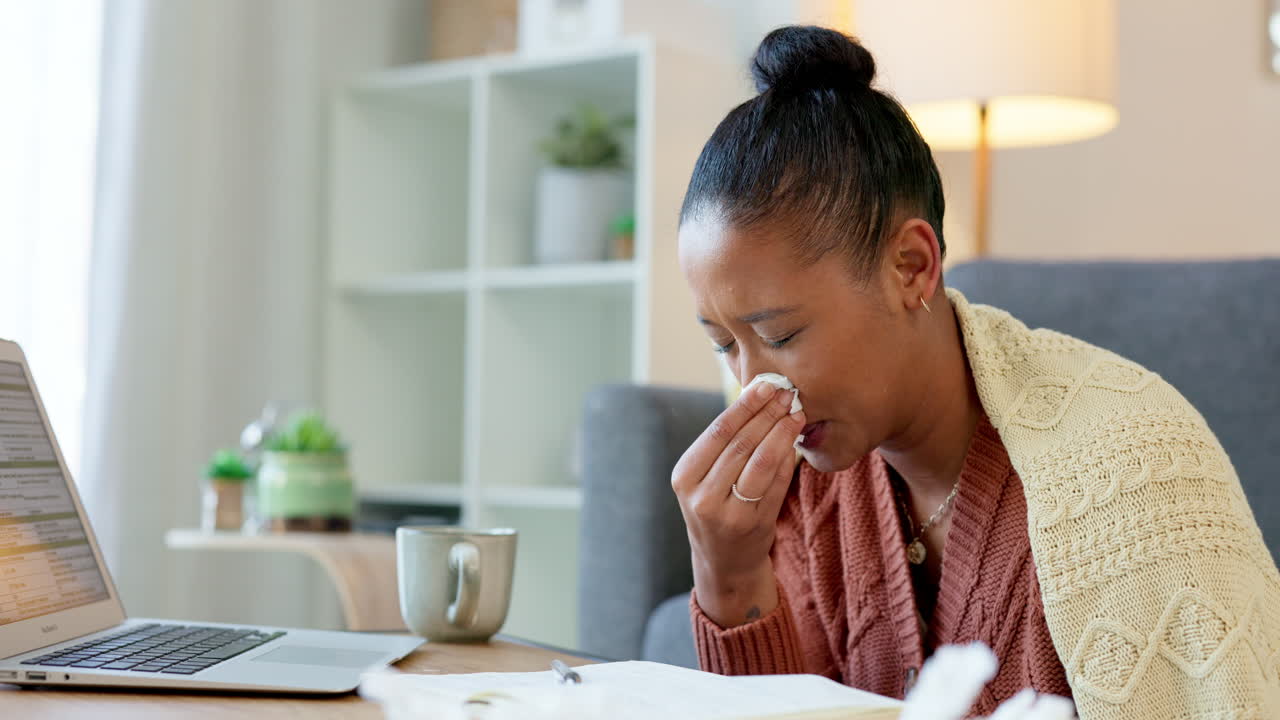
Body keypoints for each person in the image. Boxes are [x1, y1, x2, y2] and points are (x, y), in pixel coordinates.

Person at [670, 25, 1280, 719]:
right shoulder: (805, 487)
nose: (752, 383)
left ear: (912, 267)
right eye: (723, 344)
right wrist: (730, 573)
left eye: (779, 333)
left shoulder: (1136, 472)